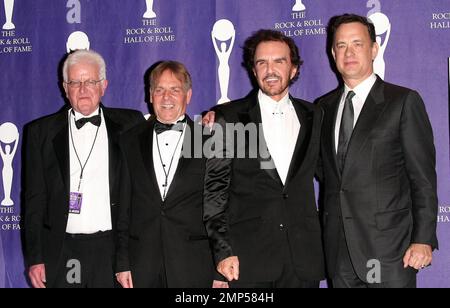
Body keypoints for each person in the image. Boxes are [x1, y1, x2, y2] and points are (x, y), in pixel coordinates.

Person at [317, 14, 438, 288]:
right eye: (341, 45)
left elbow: (423, 179)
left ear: (373, 49)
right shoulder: (322, 108)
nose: (348, 52)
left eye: (357, 44)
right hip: (339, 253)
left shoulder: (402, 102)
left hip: (390, 251)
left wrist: (423, 238)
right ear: (332, 52)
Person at [203, 29, 325, 288]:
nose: (270, 70)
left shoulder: (315, 116)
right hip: (248, 261)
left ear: (293, 69)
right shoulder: (228, 118)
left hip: (302, 261)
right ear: (254, 70)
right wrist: (222, 251)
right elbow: (214, 192)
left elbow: (334, 176)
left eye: (279, 61)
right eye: (262, 62)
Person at [23, 49, 145, 288]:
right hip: (62, 249)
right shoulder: (40, 133)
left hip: (113, 250)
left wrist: (209, 123)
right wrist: (35, 258)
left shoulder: (131, 124)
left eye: (90, 81)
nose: (82, 89)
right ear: (64, 87)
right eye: (75, 82)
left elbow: (168, 134)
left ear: (104, 85)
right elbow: (34, 200)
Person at [115, 61, 225, 288]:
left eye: (175, 90)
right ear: (150, 95)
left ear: (188, 95)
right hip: (140, 265)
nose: (166, 97)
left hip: (195, 264)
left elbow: (223, 208)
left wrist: (220, 270)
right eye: (159, 90)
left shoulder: (209, 140)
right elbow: (122, 207)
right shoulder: (129, 140)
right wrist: (122, 262)